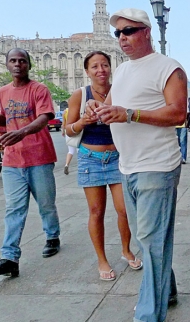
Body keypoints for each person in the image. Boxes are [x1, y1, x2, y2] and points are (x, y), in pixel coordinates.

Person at [86, 8, 186, 322]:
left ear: (146, 31)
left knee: (152, 241)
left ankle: (147, 315)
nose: (122, 38)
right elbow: (111, 106)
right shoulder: (125, 71)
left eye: (128, 31)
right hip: (126, 166)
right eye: (118, 33)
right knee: (147, 239)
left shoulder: (168, 68)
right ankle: (166, 289)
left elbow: (178, 114)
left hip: (157, 165)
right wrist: (95, 107)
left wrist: (131, 114)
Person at [0, 48, 61, 278]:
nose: (18, 64)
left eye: (22, 61)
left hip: (39, 157)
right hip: (12, 160)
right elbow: (4, 118)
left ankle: (52, 236)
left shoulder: (39, 90)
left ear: (29, 65)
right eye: (13, 60)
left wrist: (22, 132)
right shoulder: (3, 91)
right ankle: (9, 257)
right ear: (7, 65)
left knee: (46, 204)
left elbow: (45, 118)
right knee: (14, 209)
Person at [65, 51, 141, 282]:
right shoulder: (79, 95)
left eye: (105, 65)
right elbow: (68, 130)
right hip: (90, 159)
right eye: (95, 66)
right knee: (96, 212)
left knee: (124, 209)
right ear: (87, 71)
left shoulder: (120, 90)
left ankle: (126, 249)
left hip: (119, 157)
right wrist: (82, 122)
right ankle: (102, 260)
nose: (101, 70)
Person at [62, 108, 76, 174]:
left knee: (70, 151)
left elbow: (63, 124)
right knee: (80, 150)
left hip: (68, 131)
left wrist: (63, 131)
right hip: (76, 131)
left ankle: (67, 165)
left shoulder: (65, 112)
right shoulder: (76, 109)